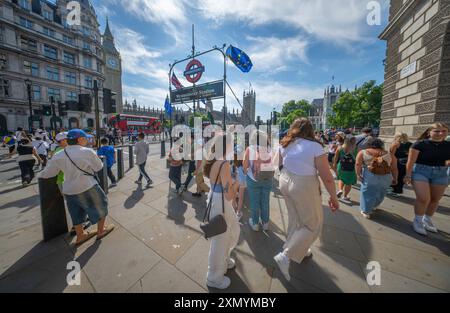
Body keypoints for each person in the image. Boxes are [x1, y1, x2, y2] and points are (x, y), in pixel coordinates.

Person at [274, 118, 339, 281]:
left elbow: (278, 163)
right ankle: (286, 255)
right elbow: (327, 177)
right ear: (310, 130)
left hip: (285, 181)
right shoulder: (315, 146)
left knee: (296, 219)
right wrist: (333, 196)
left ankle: (298, 249)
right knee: (313, 224)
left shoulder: (285, 143)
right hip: (304, 184)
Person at [38, 129, 115, 246]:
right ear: (80, 139)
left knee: (76, 212)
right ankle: (101, 230)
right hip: (87, 185)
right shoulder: (87, 152)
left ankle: (80, 235)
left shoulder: (58, 155)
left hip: (69, 189)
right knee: (101, 205)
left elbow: (48, 174)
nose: (87, 141)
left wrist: (39, 175)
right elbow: (99, 167)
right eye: (85, 139)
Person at [204, 133, 240, 289]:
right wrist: (237, 183)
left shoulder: (215, 160)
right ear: (227, 146)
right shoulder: (224, 163)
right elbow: (229, 193)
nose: (234, 146)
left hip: (217, 200)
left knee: (233, 231)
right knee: (220, 239)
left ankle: (224, 261)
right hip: (221, 202)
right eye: (232, 143)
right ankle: (213, 276)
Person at [404, 123, 450, 236]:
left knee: (435, 200)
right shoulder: (420, 144)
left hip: (441, 172)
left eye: (444, 131)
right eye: (437, 131)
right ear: (429, 132)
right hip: (420, 171)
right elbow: (410, 162)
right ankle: (418, 220)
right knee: (423, 198)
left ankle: (427, 219)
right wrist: (408, 175)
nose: (440, 133)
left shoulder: (448, 145)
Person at [355, 138, 398, 219]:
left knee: (367, 193)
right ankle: (374, 205)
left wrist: (358, 174)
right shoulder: (389, 154)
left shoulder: (363, 152)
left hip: (370, 175)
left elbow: (358, 164)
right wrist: (395, 178)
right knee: (381, 192)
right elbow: (394, 168)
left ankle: (366, 211)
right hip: (386, 176)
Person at [243, 130, 274, 231]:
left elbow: (245, 166)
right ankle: (265, 223)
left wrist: (247, 171)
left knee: (254, 202)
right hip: (267, 178)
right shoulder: (270, 148)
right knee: (265, 201)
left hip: (253, 179)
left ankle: (255, 224)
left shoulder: (250, 149)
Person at [333, 136, 357, 205]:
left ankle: (340, 190)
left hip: (341, 167)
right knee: (348, 183)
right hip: (351, 168)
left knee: (341, 179)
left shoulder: (340, 148)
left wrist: (334, 165)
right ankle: (345, 196)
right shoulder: (355, 149)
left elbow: (335, 157)